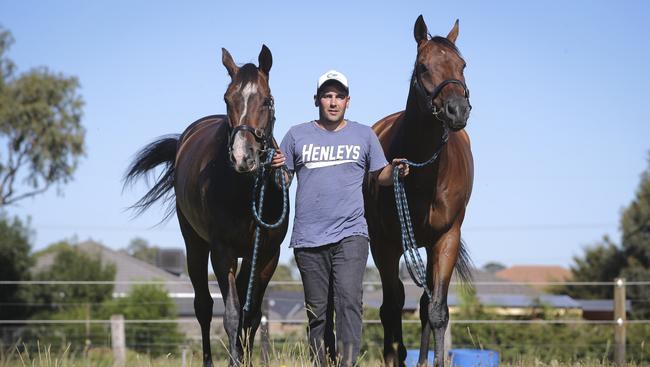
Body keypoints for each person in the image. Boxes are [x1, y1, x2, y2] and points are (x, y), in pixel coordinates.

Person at [271, 70, 408, 366]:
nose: (333, 102)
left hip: (351, 235)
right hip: (308, 239)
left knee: (348, 303)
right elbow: (283, 181)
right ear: (316, 100)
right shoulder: (296, 135)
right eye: (327, 95)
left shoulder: (363, 135)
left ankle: (347, 363)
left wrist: (394, 170)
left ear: (348, 101)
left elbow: (379, 175)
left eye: (339, 96)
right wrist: (275, 169)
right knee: (317, 313)